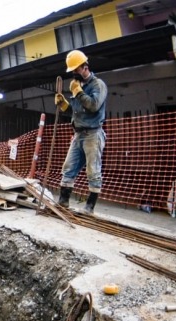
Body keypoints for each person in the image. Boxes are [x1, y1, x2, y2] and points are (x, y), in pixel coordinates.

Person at [54, 49, 108, 214]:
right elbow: (77, 112)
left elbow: (93, 105)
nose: (74, 73)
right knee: (68, 167)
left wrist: (78, 92)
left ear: (85, 66)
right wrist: (64, 105)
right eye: (72, 70)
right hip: (78, 134)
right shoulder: (79, 86)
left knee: (93, 170)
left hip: (93, 134)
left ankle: (89, 208)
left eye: (76, 69)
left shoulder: (98, 85)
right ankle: (63, 202)